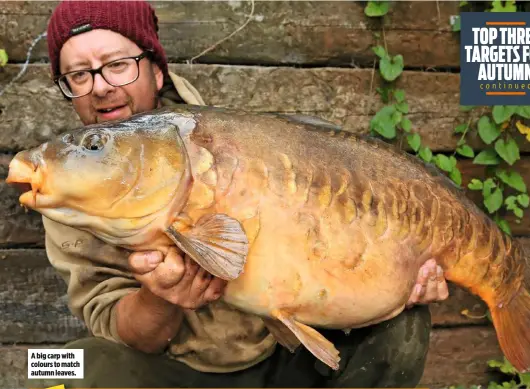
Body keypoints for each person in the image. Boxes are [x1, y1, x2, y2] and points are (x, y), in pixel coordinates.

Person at [26, 1, 450, 388]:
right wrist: (161, 297)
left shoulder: (239, 143)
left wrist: (397, 278)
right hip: (173, 374)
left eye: (117, 64)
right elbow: (120, 327)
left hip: (282, 356)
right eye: (78, 75)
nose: (99, 86)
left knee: (405, 325)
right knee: (53, 369)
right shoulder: (66, 195)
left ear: (156, 69)